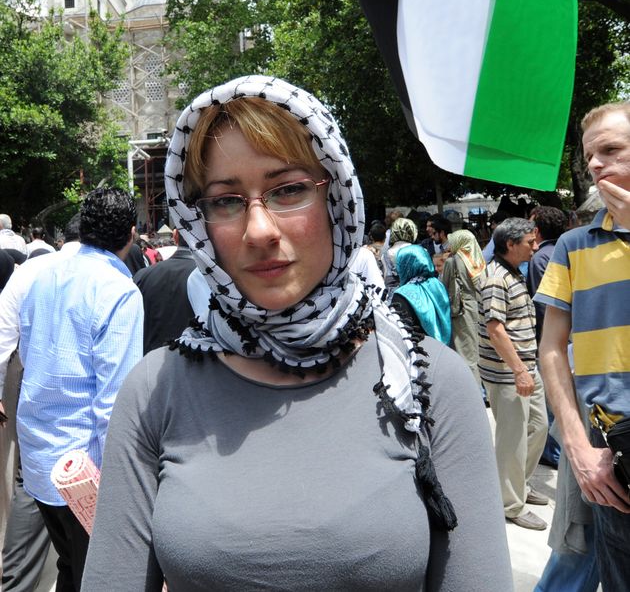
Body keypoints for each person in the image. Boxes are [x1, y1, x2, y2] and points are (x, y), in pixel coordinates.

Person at [82, 75, 512, 591]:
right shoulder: (154, 390)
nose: (259, 230)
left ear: (338, 202)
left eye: (287, 190)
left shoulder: (428, 381)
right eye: (226, 200)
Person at [16, 189, 144, 591]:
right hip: (86, 470)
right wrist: (126, 483)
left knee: (71, 567)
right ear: (132, 234)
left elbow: (27, 354)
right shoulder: (118, 291)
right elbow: (116, 401)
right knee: (101, 577)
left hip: (40, 457)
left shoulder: (43, 275)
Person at [536, 100, 630, 590]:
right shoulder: (574, 246)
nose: (595, 165)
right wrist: (575, 446)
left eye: (611, 150)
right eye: (590, 156)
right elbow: (551, 349)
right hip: (614, 459)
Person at [0, 214, 81, 592]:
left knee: (27, 480)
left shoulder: (32, 269)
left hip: (27, 375)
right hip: (71, 387)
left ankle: (17, 580)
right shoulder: (106, 274)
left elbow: (3, 335)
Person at [478, 218, 548, 530]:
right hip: (509, 374)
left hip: (526, 369)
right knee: (513, 438)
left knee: (538, 427)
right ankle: (510, 504)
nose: (535, 247)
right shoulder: (496, 278)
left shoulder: (514, 273)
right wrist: (520, 371)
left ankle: (519, 485)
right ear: (510, 244)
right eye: (529, 242)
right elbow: (495, 329)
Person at [527, 206, 568, 470]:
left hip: (551, 339)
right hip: (574, 336)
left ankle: (554, 454)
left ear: (538, 230)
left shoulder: (540, 258)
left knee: (553, 400)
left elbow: (544, 306)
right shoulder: (566, 250)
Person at [133, 230, 197, 355]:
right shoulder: (214, 280)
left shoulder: (143, 275)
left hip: (150, 363)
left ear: (175, 236)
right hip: (198, 363)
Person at [441, 229, 486, 386]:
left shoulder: (452, 262)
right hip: (480, 308)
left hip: (462, 311)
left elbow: (442, 287)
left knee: (465, 350)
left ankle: (472, 389)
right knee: (479, 348)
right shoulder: (479, 260)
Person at [391, 245, 451, 344]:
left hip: (418, 350)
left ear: (407, 265)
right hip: (442, 350)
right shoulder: (437, 285)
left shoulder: (402, 294)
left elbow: (401, 332)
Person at [382, 216, 417, 293]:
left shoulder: (387, 254)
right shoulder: (420, 251)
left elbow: (387, 279)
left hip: (394, 295)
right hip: (415, 295)